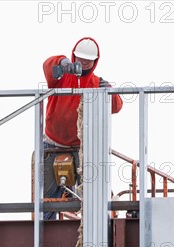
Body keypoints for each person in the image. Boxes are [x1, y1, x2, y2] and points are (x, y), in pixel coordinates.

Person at [41, 37, 123, 219]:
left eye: (88, 60)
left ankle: (97, 227)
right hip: (53, 145)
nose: (83, 63)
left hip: (83, 148)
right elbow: (48, 65)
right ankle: (45, 236)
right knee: (47, 199)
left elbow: (116, 107)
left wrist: (109, 91)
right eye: (80, 58)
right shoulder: (60, 77)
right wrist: (61, 62)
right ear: (74, 56)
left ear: (95, 62)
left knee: (93, 194)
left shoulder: (96, 83)